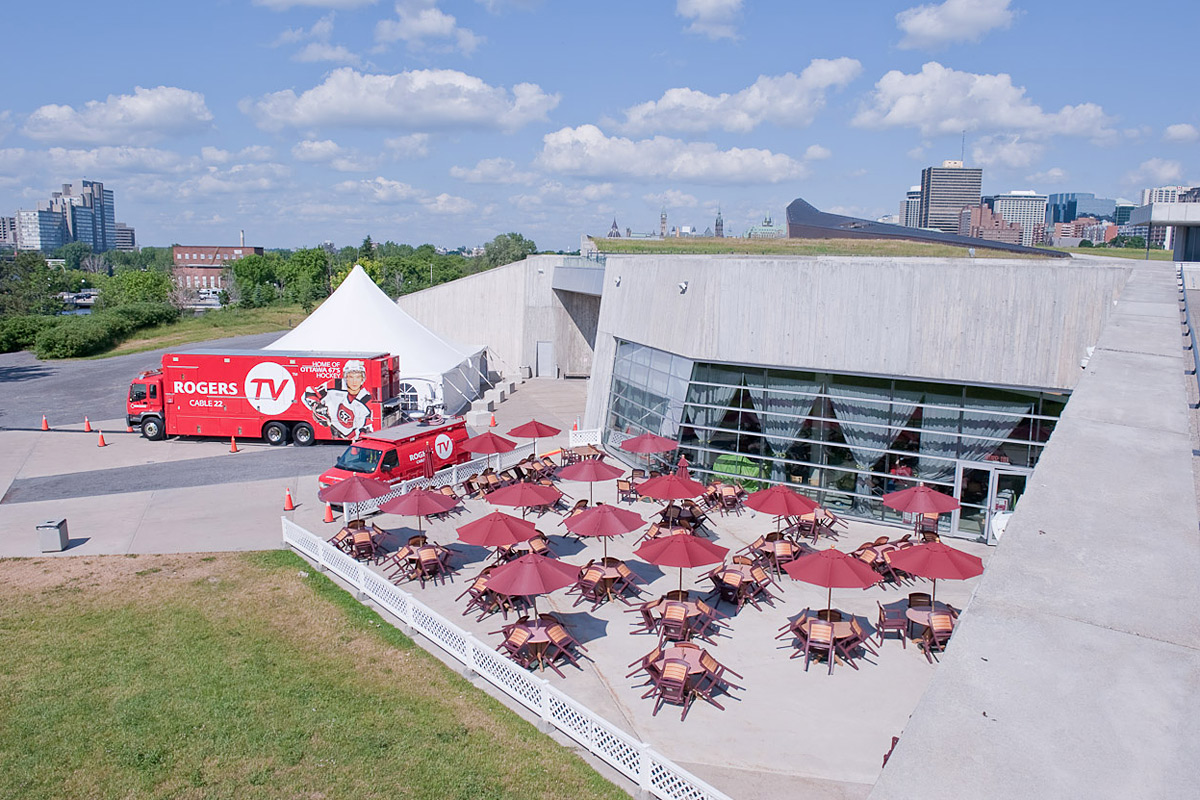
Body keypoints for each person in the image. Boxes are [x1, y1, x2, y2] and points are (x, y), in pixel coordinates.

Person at [302, 360, 373, 439]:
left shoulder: (366, 400)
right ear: (345, 377)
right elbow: (310, 392)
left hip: (347, 437)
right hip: (332, 432)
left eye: (358, 377)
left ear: (363, 378)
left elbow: (367, 428)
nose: (354, 381)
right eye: (351, 377)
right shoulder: (335, 385)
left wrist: (355, 436)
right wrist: (316, 407)